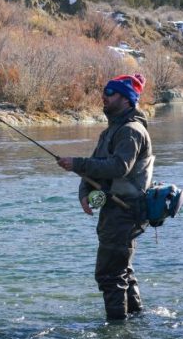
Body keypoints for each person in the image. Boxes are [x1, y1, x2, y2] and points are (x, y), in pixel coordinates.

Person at [57, 74, 154, 321]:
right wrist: (84, 194)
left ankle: (116, 331)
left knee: (109, 274)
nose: (104, 96)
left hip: (125, 211)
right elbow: (96, 165)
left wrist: (77, 163)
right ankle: (135, 320)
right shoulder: (110, 132)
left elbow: (119, 167)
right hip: (114, 211)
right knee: (122, 271)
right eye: (105, 91)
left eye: (110, 92)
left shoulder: (131, 131)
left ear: (125, 99)